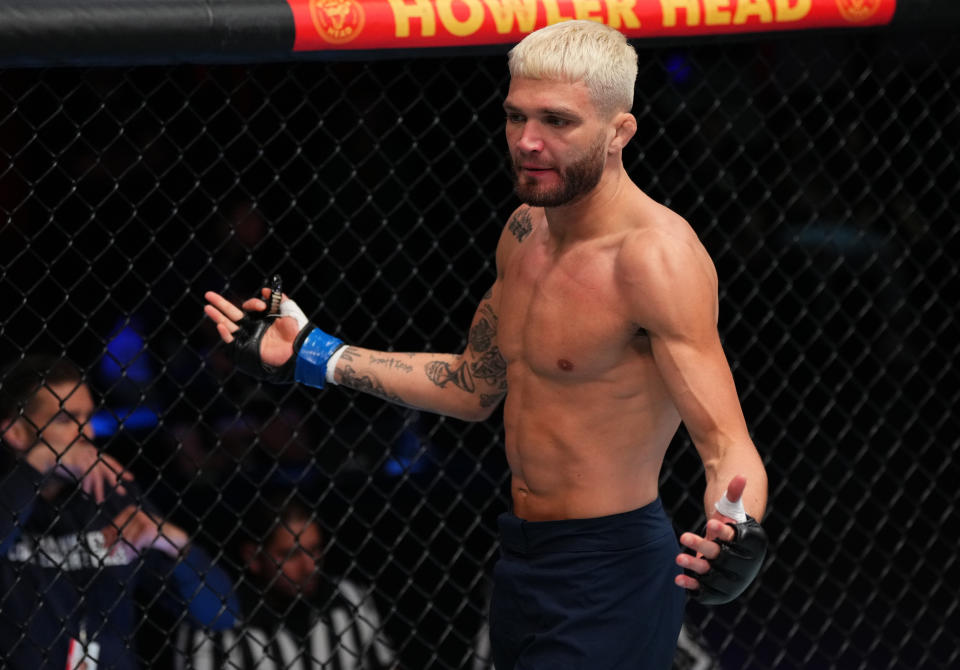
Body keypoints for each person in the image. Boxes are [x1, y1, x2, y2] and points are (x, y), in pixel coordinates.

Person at [202, 20, 769, 669]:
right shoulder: (525, 231)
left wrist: (741, 530)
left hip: (611, 568)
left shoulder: (654, 260)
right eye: (515, 116)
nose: (527, 142)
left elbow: (728, 445)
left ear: (619, 132)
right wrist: (314, 352)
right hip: (522, 556)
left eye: (557, 121)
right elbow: (476, 384)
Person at [0, 354, 237, 669]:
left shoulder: (110, 494)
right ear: (16, 433)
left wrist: (178, 547)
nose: (87, 434)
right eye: (65, 419)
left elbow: (222, 615)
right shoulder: (7, 498)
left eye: (87, 418)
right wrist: (38, 465)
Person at [173, 491, 395, 669]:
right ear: (253, 557)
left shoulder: (349, 597)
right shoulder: (214, 618)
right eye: (291, 555)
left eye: (315, 550)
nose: (310, 566)